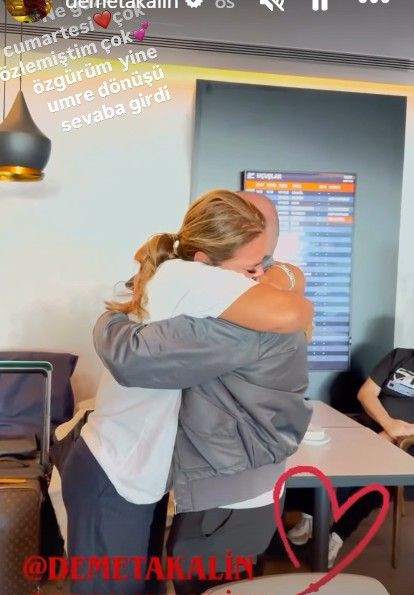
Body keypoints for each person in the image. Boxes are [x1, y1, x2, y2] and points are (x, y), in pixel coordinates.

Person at [62, 189, 313, 595]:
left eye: (263, 264)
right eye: (251, 268)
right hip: (115, 471)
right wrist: (109, 324)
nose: (258, 277)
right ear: (205, 262)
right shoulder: (194, 280)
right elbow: (292, 311)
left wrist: (283, 275)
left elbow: (285, 278)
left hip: (139, 473)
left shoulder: (194, 275)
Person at [286, 347, 414, 568]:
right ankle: (311, 515)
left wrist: (397, 435)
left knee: (376, 479)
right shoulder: (400, 356)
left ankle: (336, 536)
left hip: (405, 442)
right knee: (324, 449)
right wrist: (388, 425)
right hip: (371, 427)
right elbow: (366, 393)